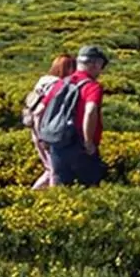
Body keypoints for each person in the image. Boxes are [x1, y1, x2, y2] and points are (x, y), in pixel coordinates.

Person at [46, 45, 108, 187]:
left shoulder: (61, 83)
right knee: (89, 187)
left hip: (58, 142)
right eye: (101, 66)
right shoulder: (92, 86)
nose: (101, 70)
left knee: (60, 187)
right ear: (95, 64)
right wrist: (88, 141)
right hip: (79, 144)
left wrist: (45, 137)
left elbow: (43, 108)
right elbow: (90, 110)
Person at [26, 53, 75, 189]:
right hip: (45, 132)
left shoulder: (42, 82)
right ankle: (52, 201)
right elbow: (39, 112)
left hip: (35, 130)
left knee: (49, 169)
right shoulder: (56, 85)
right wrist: (43, 136)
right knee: (54, 171)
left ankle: (32, 196)